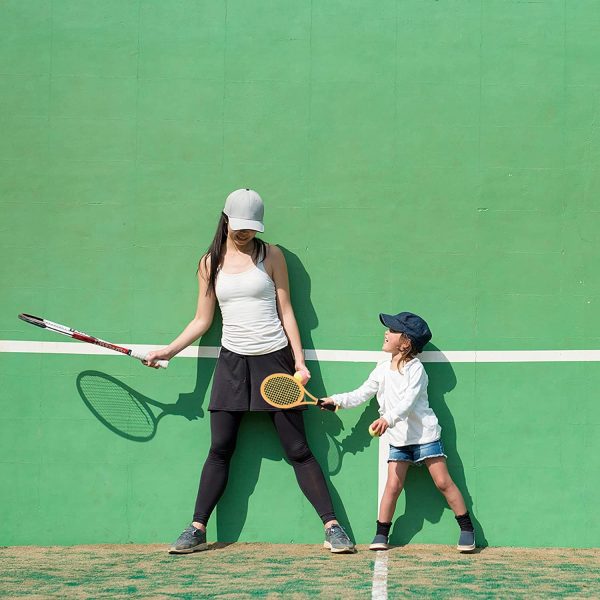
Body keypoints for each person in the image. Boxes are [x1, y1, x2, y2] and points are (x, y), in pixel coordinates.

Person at [144, 189, 355, 554]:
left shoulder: (271, 255)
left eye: (251, 229)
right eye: (240, 227)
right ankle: (196, 528)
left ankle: (333, 527)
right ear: (226, 219)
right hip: (231, 364)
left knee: (299, 450)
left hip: (275, 360)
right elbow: (202, 320)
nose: (245, 234)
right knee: (220, 449)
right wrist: (169, 351)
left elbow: (286, 310)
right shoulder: (209, 263)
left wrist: (300, 363)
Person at [321, 311, 476, 552]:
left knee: (443, 482)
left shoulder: (416, 370)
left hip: (425, 435)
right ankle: (381, 534)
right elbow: (361, 393)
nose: (386, 333)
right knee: (393, 486)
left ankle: (467, 529)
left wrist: (387, 419)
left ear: (406, 342)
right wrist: (336, 401)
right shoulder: (382, 368)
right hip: (399, 439)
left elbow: (408, 402)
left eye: (392, 331)